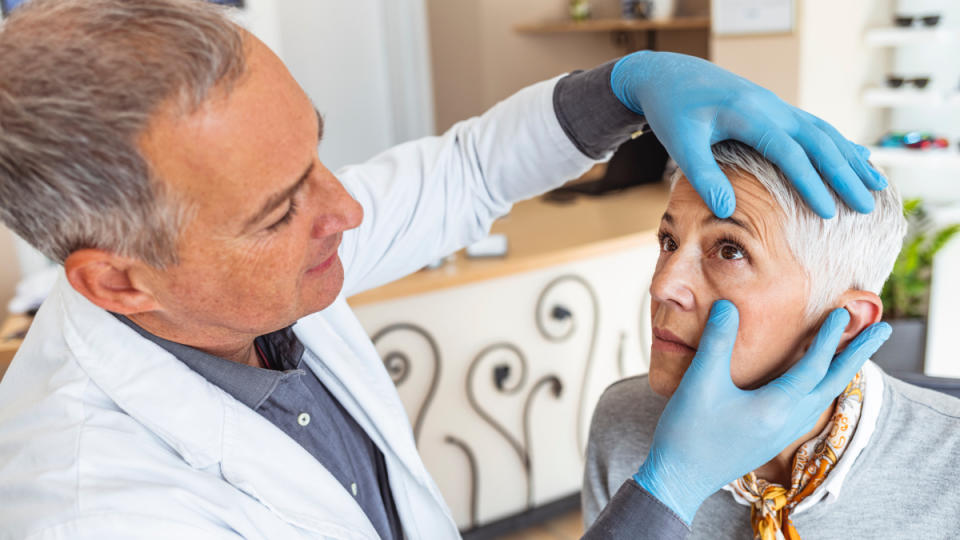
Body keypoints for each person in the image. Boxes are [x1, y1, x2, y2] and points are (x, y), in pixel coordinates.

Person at [0, 1, 889, 538]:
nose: (345, 212)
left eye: (318, 150)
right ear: (120, 282)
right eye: (280, 210)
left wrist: (623, 83)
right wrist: (669, 493)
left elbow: (463, 173)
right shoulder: (99, 509)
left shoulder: (237, 271)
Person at [582, 141, 960, 539]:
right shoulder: (622, 423)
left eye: (729, 250)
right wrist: (669, 485)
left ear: (845, 324)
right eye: (669, 242)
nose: (662, 286)